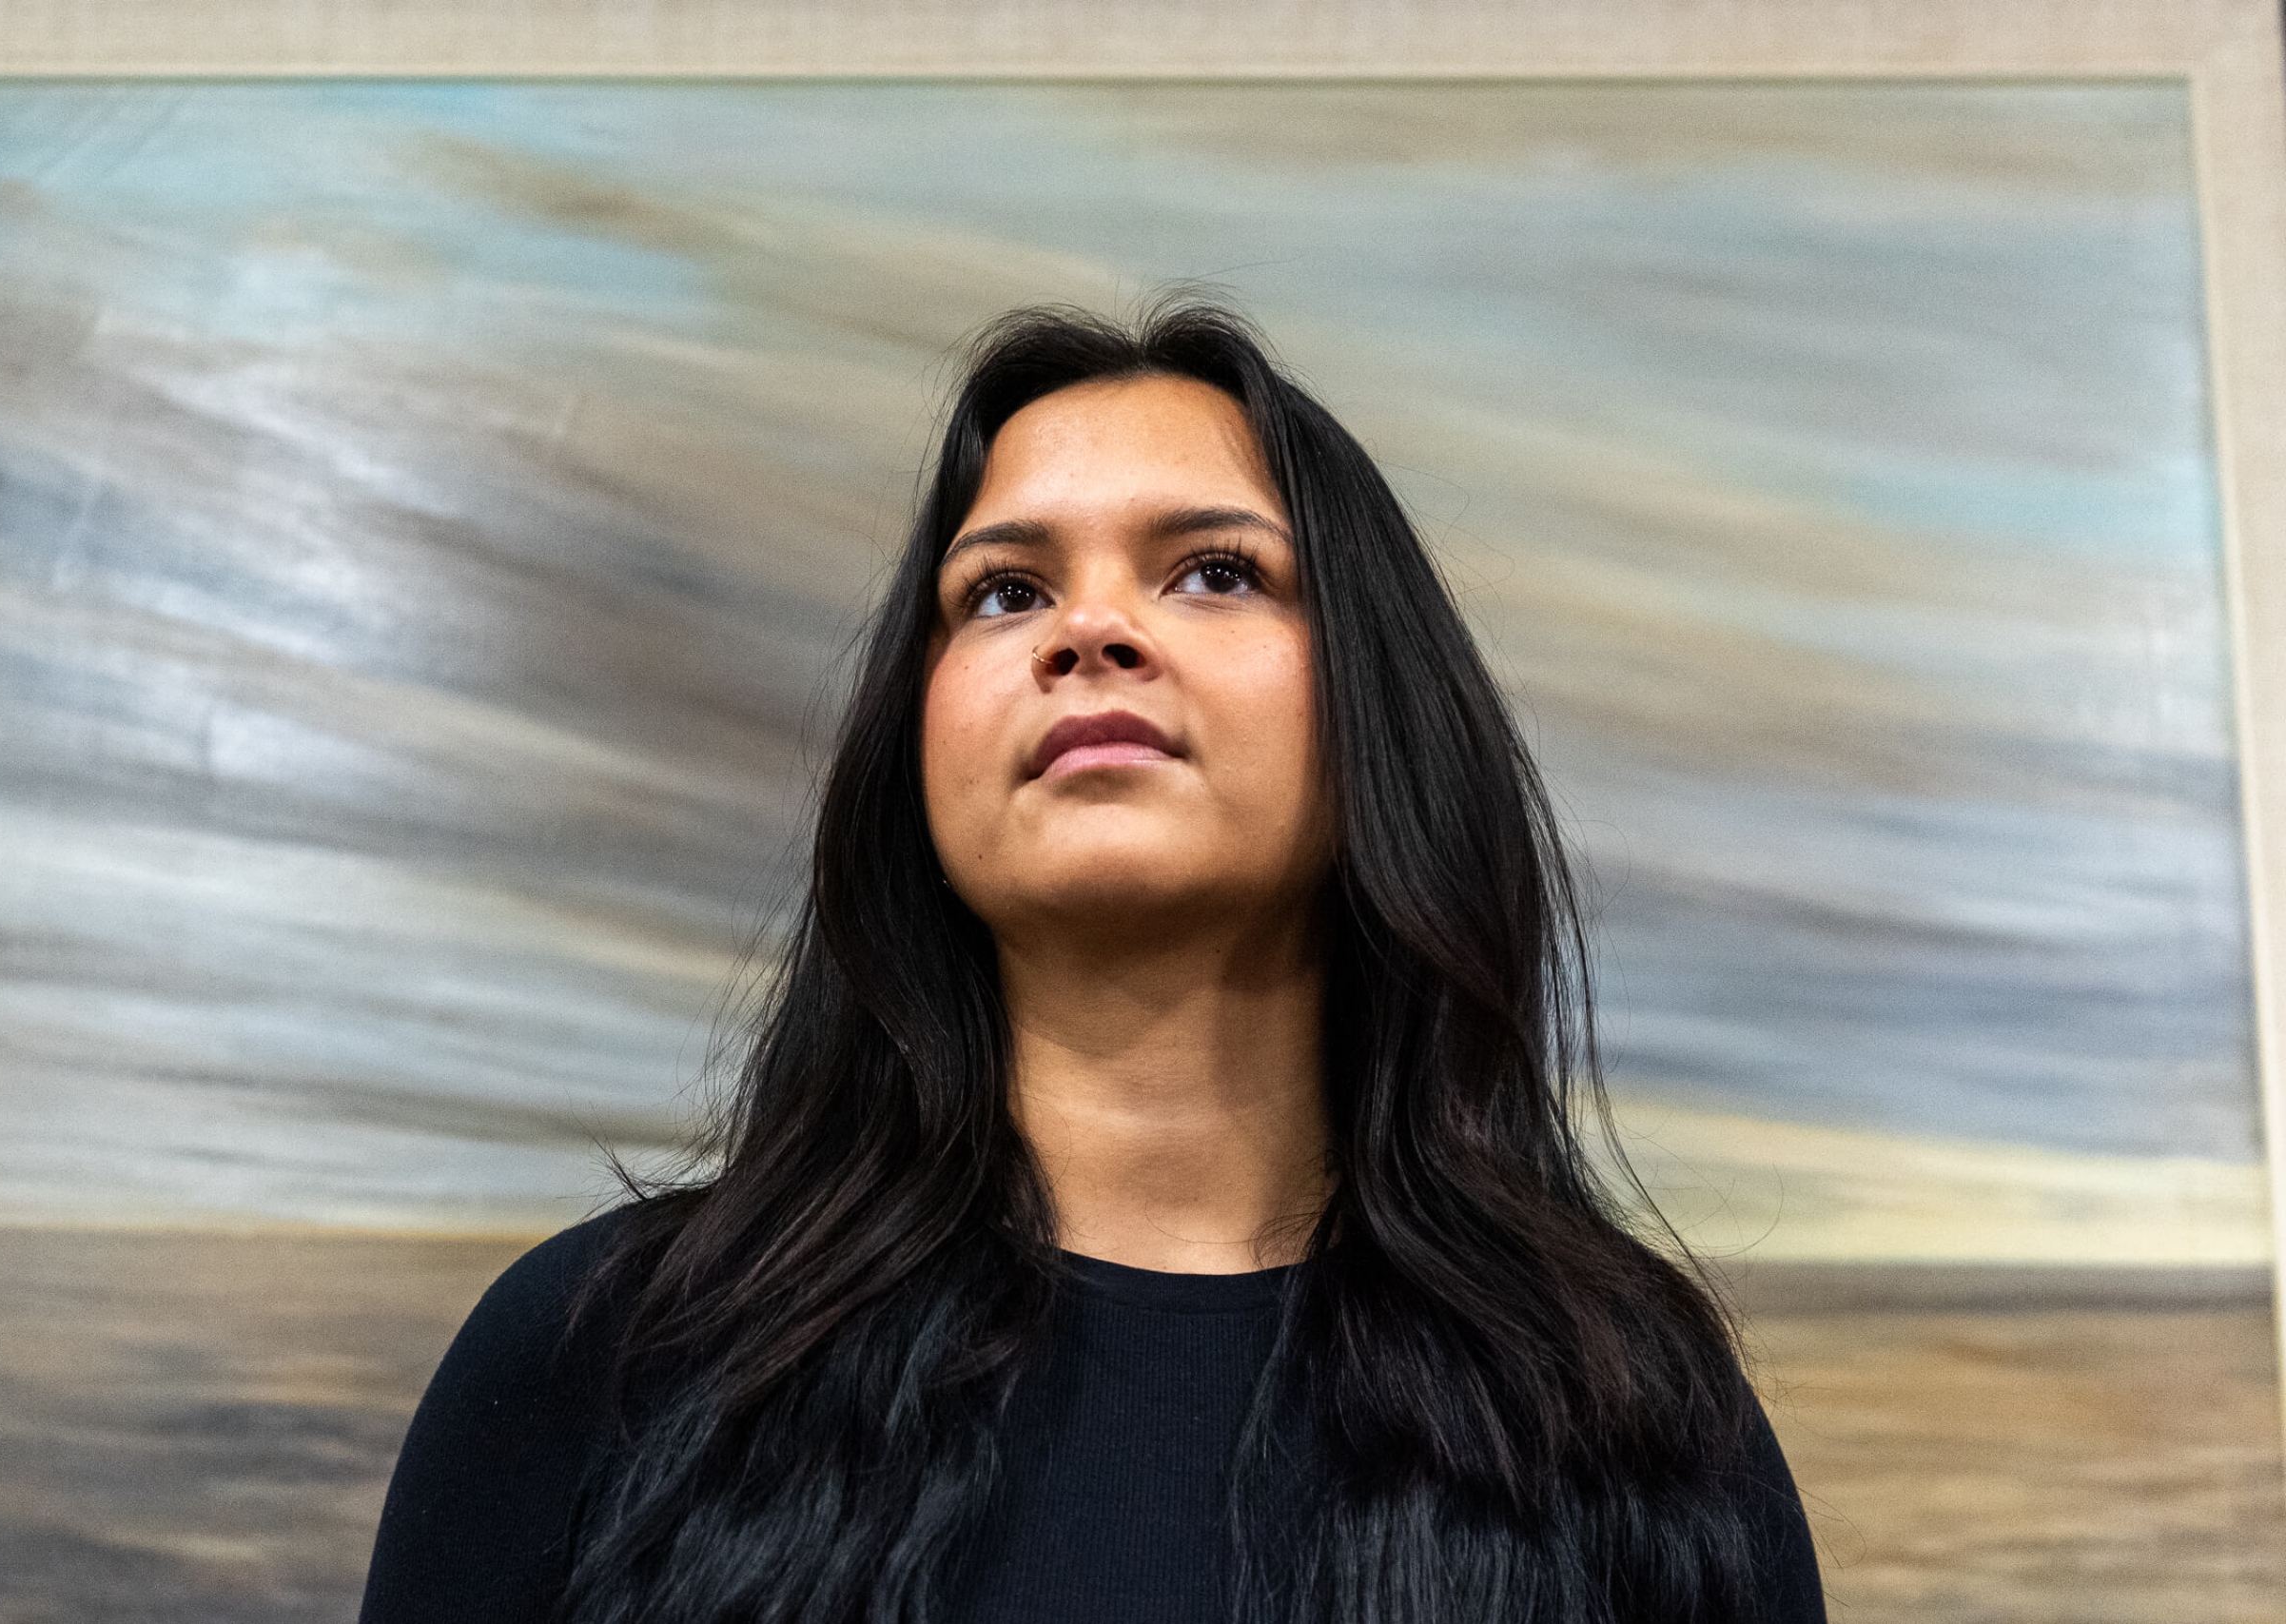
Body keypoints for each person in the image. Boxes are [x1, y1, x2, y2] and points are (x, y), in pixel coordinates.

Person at [358, 300, 1827, 1624]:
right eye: (1004, 592)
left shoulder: (1627, 1423)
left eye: (1215, 572)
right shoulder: (603, 1360)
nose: (1091, 630)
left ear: (1381, 710)